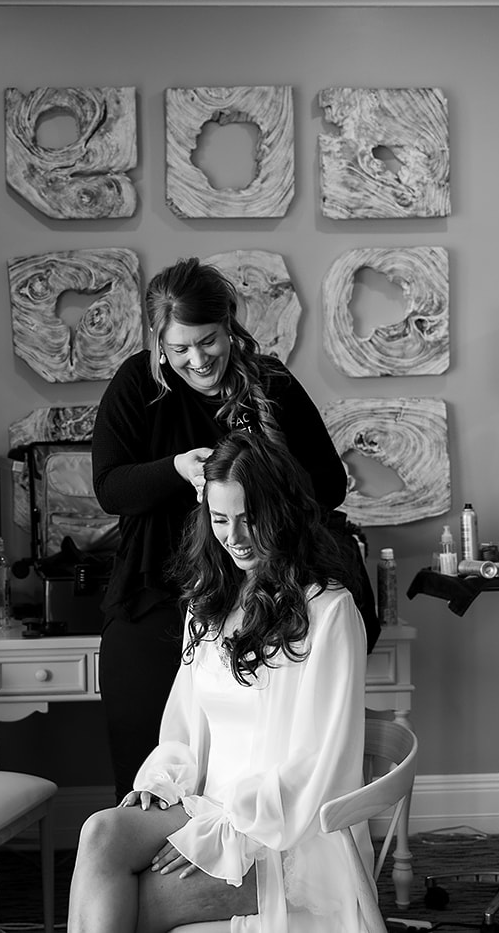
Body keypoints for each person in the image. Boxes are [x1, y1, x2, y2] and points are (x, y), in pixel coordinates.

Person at [92, 256, 379, 799]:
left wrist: (266, 482)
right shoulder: (137, 384)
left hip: (254, 594)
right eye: (179, 350)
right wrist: (177, 469)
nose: (197, 360)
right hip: (156, 594)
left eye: (209, 341)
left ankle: (237, 864)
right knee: (149, 770)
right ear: (159, 342)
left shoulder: (269, 384)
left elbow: (329, 485)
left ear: (229, 325)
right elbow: (110, 488)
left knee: (247, 757)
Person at [68, 432, 377, 933]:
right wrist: (159, 786)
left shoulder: (329, 611)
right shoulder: (208, 606)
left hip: (288, 836)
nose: (234, 536)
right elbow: (183, 728)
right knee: (101, 832)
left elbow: (319, 764)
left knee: (122, 903)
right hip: (209, 808)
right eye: (219, 520)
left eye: (249, 519)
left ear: (282, 513)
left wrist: (225, 834)